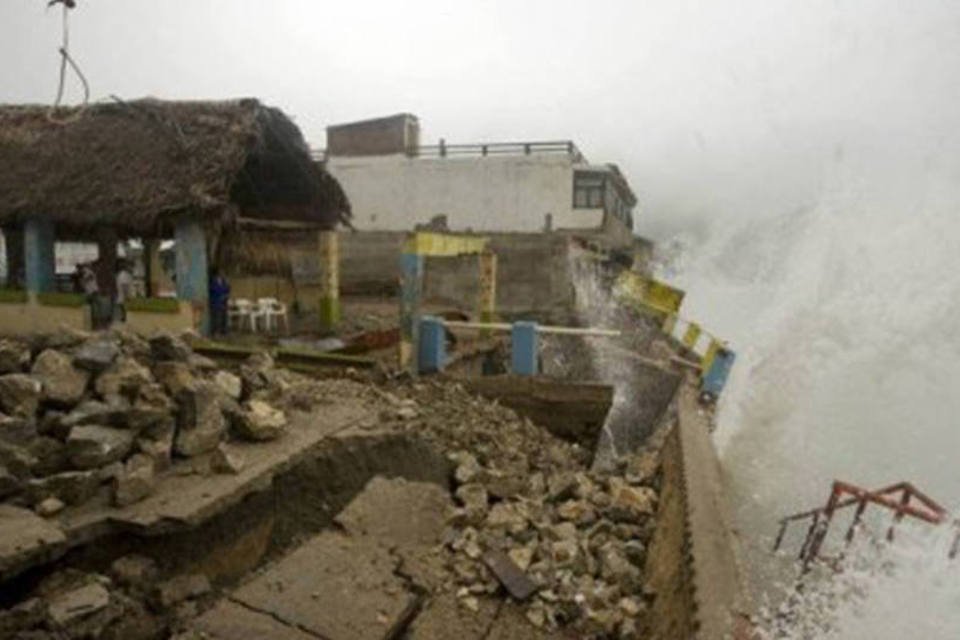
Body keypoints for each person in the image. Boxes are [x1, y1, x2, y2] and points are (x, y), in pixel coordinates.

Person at [208, 269, 230, 336]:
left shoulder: (224, 281)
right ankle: (215, 332)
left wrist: (227, 284)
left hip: (223, 301)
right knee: (216, 317)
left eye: (223, 273)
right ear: (218, 274)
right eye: (221, 273)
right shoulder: (213, 281)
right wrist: (223, 290)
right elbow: (215, 290)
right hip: (216, 301)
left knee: (224, 317)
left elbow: (227, 289)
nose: (223, 274)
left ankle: (224, 331)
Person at [78, 262, 100, 328]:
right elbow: (83, 283)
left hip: (93, 292)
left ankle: (95, 324)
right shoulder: (85, 273)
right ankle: (93, 324)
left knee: (93, 308)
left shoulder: (88, 272)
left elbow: (87, 277)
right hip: (90, 292)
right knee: (90, 308)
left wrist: (82, 278)